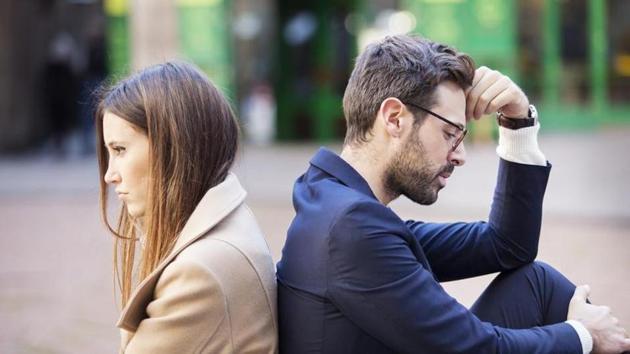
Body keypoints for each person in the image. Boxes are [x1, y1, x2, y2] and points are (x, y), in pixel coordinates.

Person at [276, 35, 630, 353]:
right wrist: (584, 334)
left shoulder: (338, 205)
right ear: (395, 118)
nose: (460, 155)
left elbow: (507, 246)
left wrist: (517, 122)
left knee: (536, 282)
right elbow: (475, 348)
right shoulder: (351, 229)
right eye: (450, 133)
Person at [95, 61, 278, 353]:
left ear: (173, 146)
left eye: (120, 150)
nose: (110, 174)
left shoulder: (200, 271)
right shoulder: (224, 221)